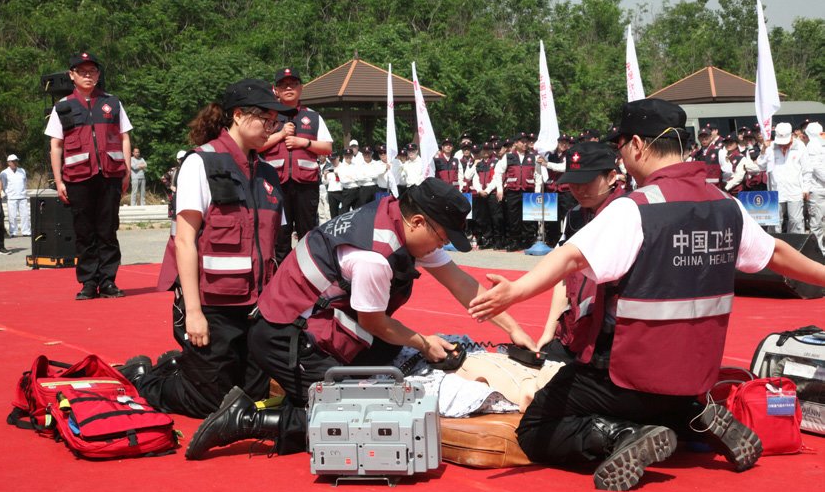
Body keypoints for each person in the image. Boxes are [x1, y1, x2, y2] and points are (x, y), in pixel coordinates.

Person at [468, 98, 825, 491]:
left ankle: (619, 436)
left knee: (536, 427)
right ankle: (694, 415)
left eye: (619, 147)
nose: (620, 157)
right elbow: (776, 252)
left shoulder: (634, 209)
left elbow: (570, 257)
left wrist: (516, 290)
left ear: (636, 145)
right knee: (661, 399)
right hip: (692, 375)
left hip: (626, 376)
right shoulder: (727, 205)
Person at [184, 177, 538, 460]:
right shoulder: (374, 258)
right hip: (286, 339)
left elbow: (461, 284)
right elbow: (375, 323)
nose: (439, 248)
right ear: (418, 222)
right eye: (442, 239)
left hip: (306, 325)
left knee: (389, 362)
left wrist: (515, 329)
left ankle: (295, 393)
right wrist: (423, 342)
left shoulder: (396, 218)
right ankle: (249, 419)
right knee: (372, 416)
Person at [125, 78, 296, 419]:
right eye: (265, 118)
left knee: (251, 398)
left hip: (257, 310)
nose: (271, 127)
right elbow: (185, 241)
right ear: (237, 115)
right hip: (213, 307)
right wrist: (194, 313)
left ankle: (183, 366)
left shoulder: (267, 174)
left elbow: (280, 247)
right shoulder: (201, 164)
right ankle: (144, 380)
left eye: (275, 121)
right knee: (211, 404)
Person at [45, 51, 132, 299]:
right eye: (82, 71)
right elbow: (56, 145)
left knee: (107, 230)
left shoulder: (112, 103)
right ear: (71, 75)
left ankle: (107, 281)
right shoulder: (62, 107)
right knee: (84, 232)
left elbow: (125, 136)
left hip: (110, 175)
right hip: (78, 177)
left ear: (98, 74)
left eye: (92, 71)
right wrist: (59, 180)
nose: (87, 75)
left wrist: (125, 170)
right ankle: (87, 282)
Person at [536, 142, 626, 362]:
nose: (579, 190)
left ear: (612, 177)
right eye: (574, 183)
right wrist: (549, 330)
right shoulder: (575, 216)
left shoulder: (628, 213)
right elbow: (564, 276)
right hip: (575, 332)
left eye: (587, 182)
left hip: (615, 340)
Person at [261, 67, 333, 262]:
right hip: (275, 186)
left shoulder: (314, 116)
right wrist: (280, 135)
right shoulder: (267, 117)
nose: (289, 88)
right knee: (279, 237)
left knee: (307, 235)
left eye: (293, 84)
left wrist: (304, 143)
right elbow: (255, 145)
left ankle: (305, 280)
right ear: (276, 90)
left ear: (301, 88)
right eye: (283, 85)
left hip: (306, 185)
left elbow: (327, 147)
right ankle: (279, 283)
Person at [757, 122, 810, 234]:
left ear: (791, 135)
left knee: (796, 221)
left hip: (795, 190)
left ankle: (794, 248)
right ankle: (775, 248)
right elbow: (761, 166)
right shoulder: (770, 146)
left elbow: (807, 169)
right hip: (775, 190)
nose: (782, 145)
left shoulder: (800, 146)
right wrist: (763, 151)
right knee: (774, 223)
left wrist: (806, 188)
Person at [803, 122, 825, 253]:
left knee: (819, 222)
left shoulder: (819, 144)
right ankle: (818, 252)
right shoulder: (812, 146)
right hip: (816, 189)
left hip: (820, 188)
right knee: (817, 222)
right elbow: (816, 167)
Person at [0, 154, 31, 237]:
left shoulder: (22, 170)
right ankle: (13, 232)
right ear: (8, 162)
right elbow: (3, 184)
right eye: (13, 161)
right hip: (11, 197)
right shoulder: (4, 173)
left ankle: (26, 231)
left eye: (16, 161)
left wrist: (24, 191)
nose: (15, 162)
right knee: (12, 216)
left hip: (22, 196)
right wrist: (8, 193)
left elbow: (25, 182)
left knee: (24, 215)